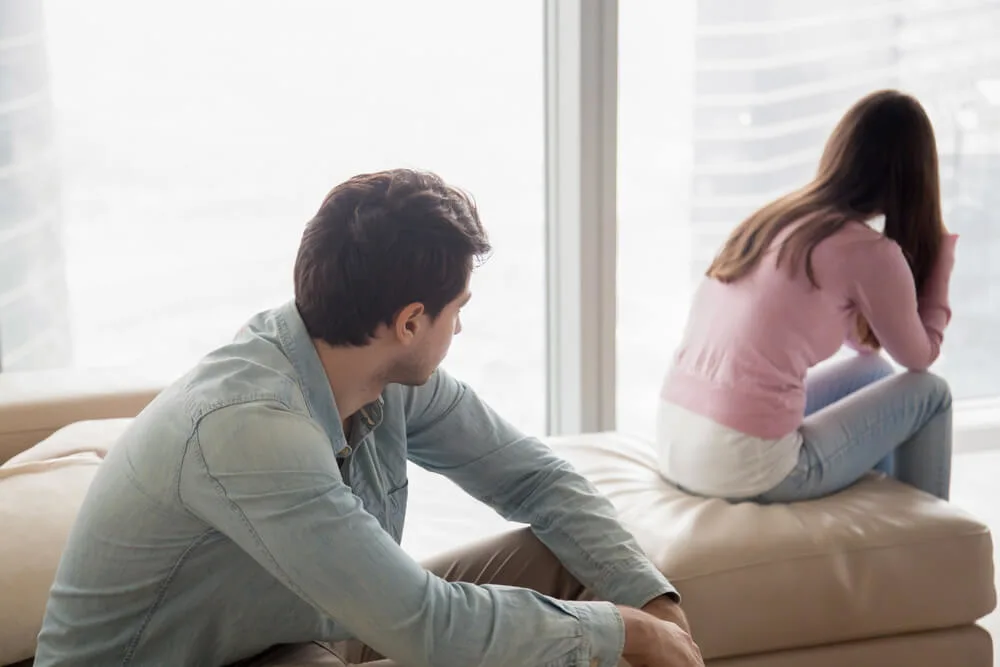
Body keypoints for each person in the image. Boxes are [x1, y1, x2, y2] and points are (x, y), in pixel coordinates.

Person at [35, 169, 703, 667]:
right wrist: (627, 633)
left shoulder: (380, 372)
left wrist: (654, 605)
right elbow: (423, 623)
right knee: (579, 637)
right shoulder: (250, 425)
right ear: (411, 321)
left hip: (284, 640)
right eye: (457, 307)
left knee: (562, 567)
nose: (462, 325)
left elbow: (535, 478)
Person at [656, 89, 956, 504]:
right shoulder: (870, 253)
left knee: (873, 373)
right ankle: (928, 534)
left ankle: (885, 515)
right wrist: (940, 263)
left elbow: (859, 342)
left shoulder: (777, 220)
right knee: (931, 393)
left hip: (676, 441)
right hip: (744, 466)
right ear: (916, 177)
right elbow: (920, 357)